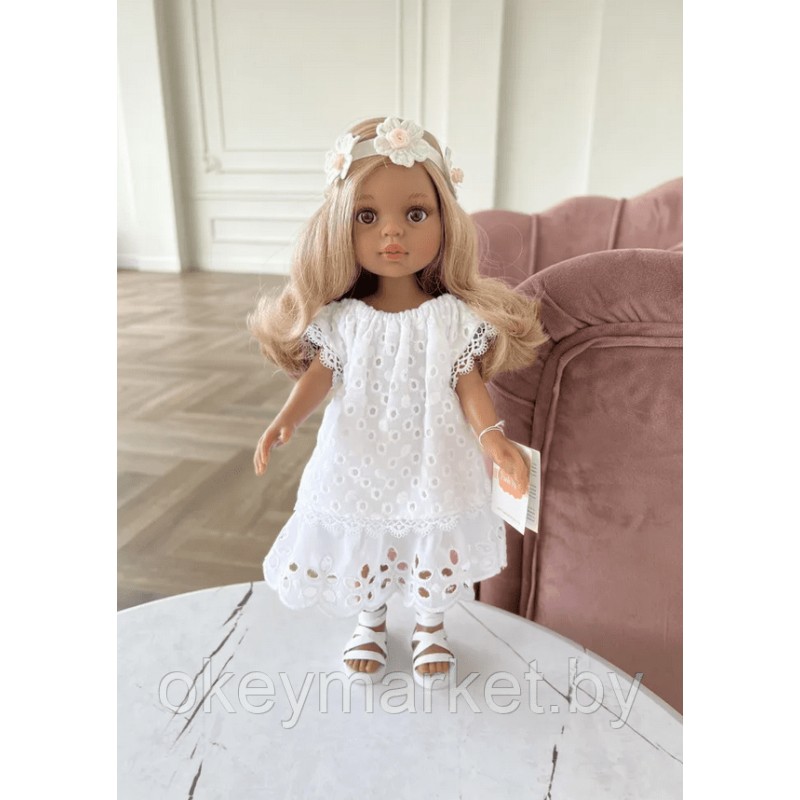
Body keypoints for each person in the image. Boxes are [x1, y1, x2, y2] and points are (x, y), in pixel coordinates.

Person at [248, 116, 546, 689]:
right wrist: (287, 417)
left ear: (444, 222)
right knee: (367, 527)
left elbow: (467, 384)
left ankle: (431, 625)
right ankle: (371, 620)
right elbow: (322, 373)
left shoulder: (451, 317)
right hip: (360, 450)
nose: (392, 233)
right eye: (367, 217)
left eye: (415, 214)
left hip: (435, 452)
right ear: (339, 227)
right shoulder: (343, 319)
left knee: (432, 528)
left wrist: (494, 440)